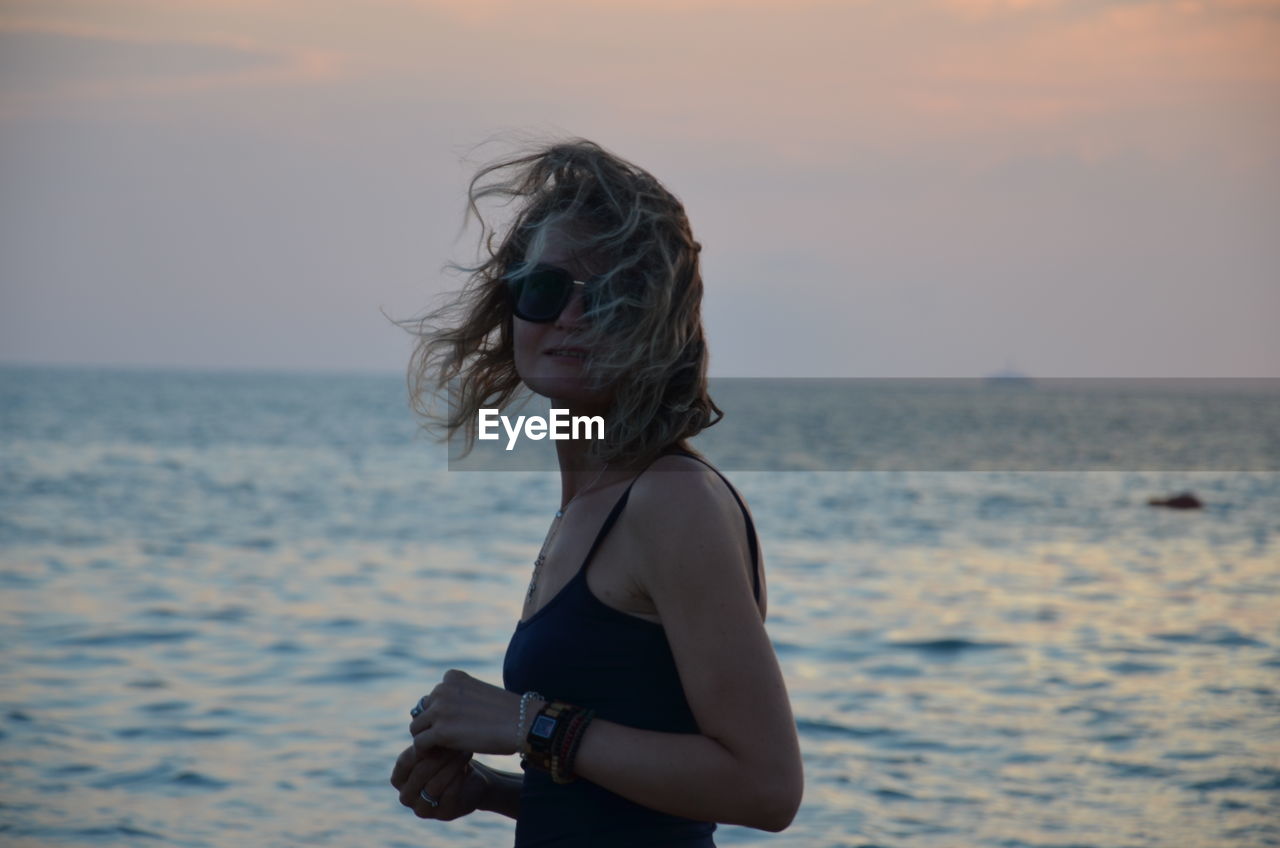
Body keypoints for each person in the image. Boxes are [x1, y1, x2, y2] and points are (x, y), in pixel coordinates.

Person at [389, 139, 803, 846]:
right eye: (546, 290)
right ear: (512, 307)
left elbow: (766, 787)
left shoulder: (671, 501)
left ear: (656, 322)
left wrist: (526, 722)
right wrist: (495, 791)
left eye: (609, 296)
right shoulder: (594, 502)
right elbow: (636, 812)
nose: (571, 317)